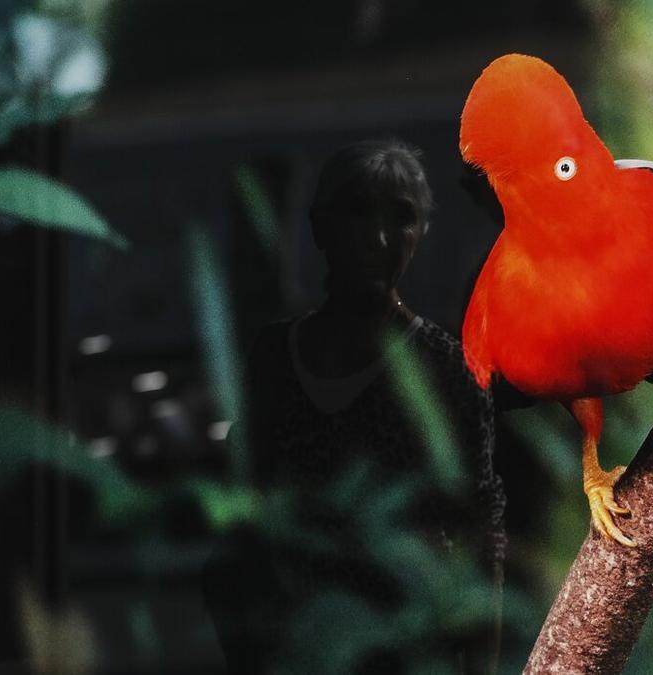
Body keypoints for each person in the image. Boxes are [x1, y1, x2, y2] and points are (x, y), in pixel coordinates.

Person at [204, 140, 530, 674]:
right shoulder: (274, 355)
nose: (377, 238)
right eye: (356, 214)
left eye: (401, 218)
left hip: (414, 632)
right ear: (323, 230)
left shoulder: (450, 364)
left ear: (420, 233)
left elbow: (486, 518)